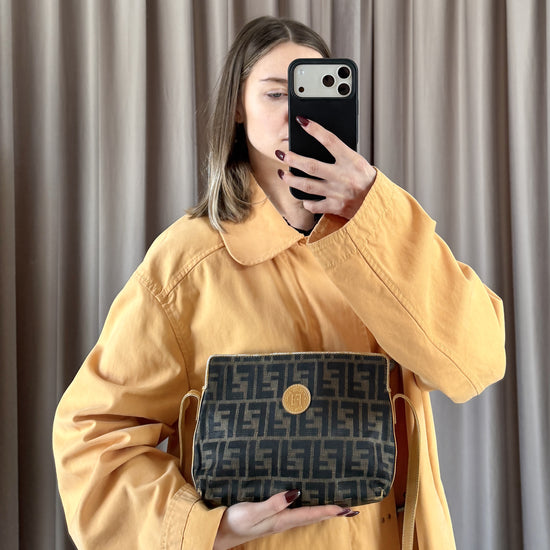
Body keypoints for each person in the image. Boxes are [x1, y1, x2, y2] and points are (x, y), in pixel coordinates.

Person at [53, 15, 506, 550]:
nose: (297, 111)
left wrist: (371, 208)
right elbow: (91, 440)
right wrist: (207, 528)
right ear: (237, 109)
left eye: (315, 93)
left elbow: (477, 363)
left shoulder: (383, 238)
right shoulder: (187, 264)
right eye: (275, 93)